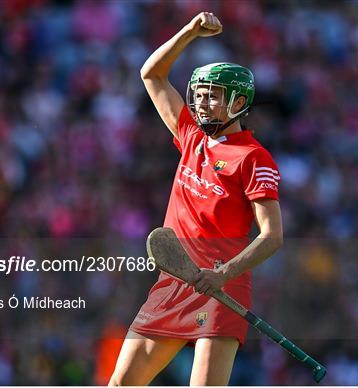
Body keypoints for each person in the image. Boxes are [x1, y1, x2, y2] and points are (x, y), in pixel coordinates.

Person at [109, 12, 283, 386]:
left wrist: (223, 274)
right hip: (174, 282)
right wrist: (189, 33)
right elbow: (152, 75)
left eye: (213, 97)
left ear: (238, 102)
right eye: (199, 95)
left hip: (222, 287)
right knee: (122, 383)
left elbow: (272, 235)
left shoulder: (254, 158)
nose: (202, 104)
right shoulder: (191, 137)